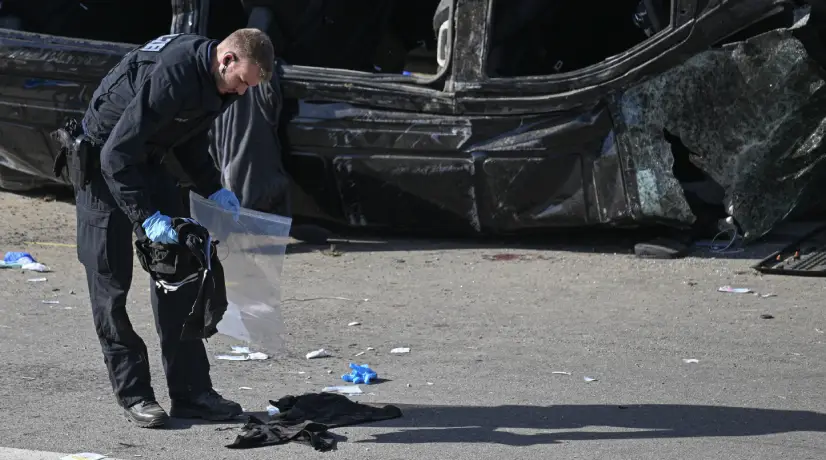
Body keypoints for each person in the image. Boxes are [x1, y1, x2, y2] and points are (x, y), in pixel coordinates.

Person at [58, 28, 274, 429]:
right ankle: (135, 394)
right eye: (243, 81)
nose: (243, 93)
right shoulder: (175, 73)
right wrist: (146, 217)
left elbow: (188, 140)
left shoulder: (219, 85)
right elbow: (115, 154)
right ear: (226, 60)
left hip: (146, 159)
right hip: (104, 163)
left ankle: (191, 393)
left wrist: (214, 189)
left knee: (181, 273)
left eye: (250, 87)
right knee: (111, 284)